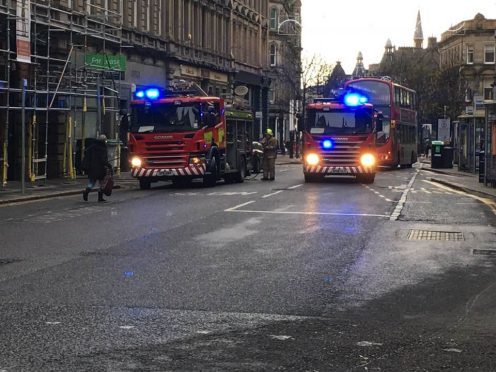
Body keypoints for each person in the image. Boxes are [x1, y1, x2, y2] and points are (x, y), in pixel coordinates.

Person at [82, 134, 111, 202]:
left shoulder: (92, 146)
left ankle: (86, 192)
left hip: (92, 167)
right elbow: (103, 160)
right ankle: (100, 197)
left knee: (91, 182)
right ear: (104, 141)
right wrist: (108, 165)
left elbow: (86, 153)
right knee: (102, 183)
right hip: (100, 168)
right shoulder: (103, 148)